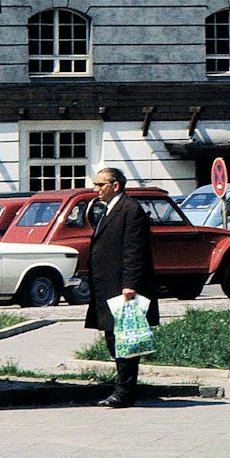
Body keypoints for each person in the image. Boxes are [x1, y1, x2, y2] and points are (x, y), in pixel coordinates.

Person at [85, 166, 159, 407]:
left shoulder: (130, 210)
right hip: (107, 284)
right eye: (95, 185)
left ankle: (125, 391)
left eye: (100, 185)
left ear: (115, 185)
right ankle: (122, 385)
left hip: (123, 287)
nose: (95, 189)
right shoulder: (106, 210)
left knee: (126, 338)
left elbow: (134, 250)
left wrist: (130, 284)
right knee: (113, 336)